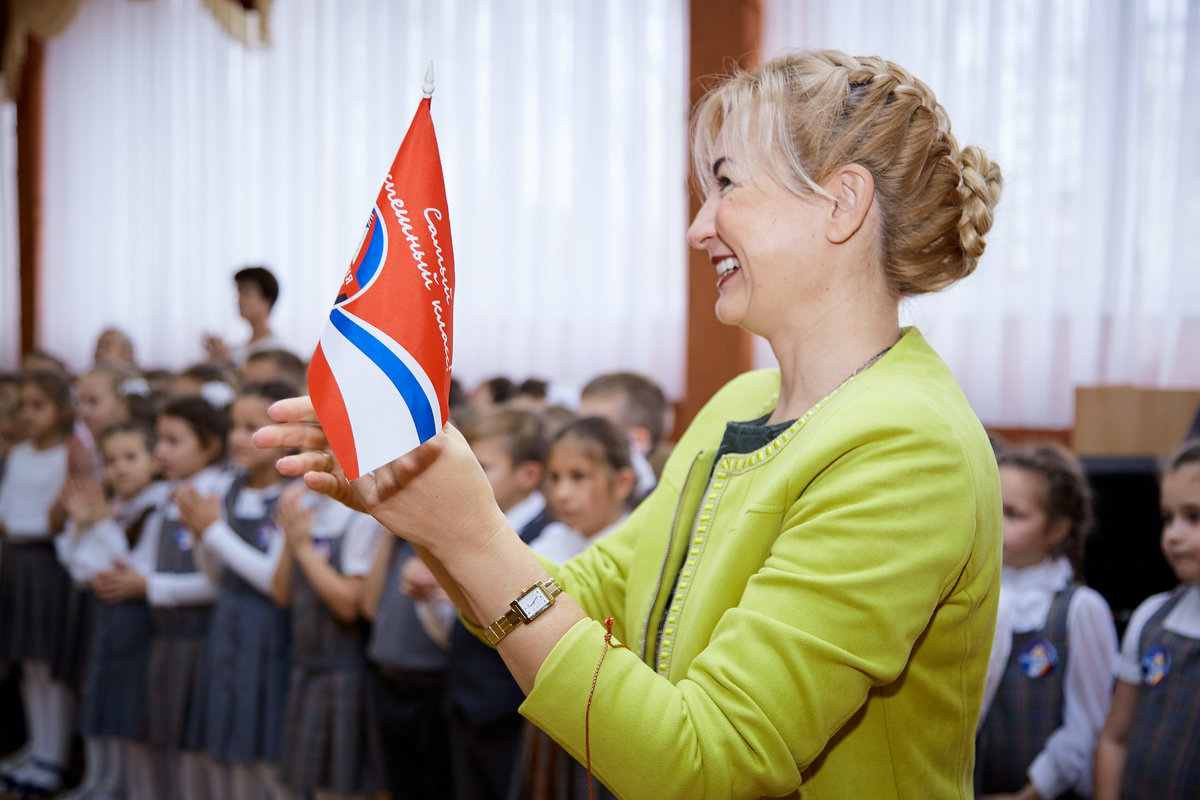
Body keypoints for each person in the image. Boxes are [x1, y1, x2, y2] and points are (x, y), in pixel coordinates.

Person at [259, 50, 1004, 799]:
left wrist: (473, 537)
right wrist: (427, 514)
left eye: (726, 183)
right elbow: (581, 595)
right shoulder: (741, 402)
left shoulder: (909, 447)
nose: (699, 228)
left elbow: (708, 764)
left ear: (842, 203)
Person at [94, 395, 228, 800]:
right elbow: (143, 561)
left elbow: (219, 582)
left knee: (201, 744)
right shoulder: (171, 496)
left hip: (203, 640)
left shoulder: (217, 495)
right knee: (170, 739)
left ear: (209, 446)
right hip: (166, 638)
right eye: (160, 441)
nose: (161, 452)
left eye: (173, 441)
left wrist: (151, 586)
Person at [975, 443, 1118, 799]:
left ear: (1056, 530)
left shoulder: (1079, 609)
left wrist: (1031, 793)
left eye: (1013, 513)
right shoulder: (973, 595)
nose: (995, 522)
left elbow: (1087, 724)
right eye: (990, 506)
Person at [512, 415, 637, 800]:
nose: (562, 493)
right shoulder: (552, 539)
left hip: (617, 717)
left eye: (579, 477)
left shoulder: (635, 546)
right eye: (554, 478)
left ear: (622, 483)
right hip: (554, 711)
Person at [186, 382, 299, 800]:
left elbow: (273, 582)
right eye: (233, 426)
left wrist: (213, 533)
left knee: (267, 742)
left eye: (251, 427)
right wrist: (201, 537)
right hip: (228, 624)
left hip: (270, 632)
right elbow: (217, 577)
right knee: (229, 739)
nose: (237, 437)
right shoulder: (228, 488)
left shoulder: (293, 494)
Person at [57, 421, 168, 800]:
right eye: (111, 461)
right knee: (102, 701)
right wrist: (82, 525)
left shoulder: (157, 506)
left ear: (154, 461)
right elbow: (79, 569)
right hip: (107, 616)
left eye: (130, 457)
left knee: (129, 711)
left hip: (139, 622)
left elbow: (126, 570)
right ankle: (103, 782)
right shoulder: (113, 506)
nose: (120, 468)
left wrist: (102, 527)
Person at [1093, 440, 1200, 799]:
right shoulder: (1151, 617)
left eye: (1194, 517)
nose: (1173, 534)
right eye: (1168, 517)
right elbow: (1115, 739)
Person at [272, 486, 385, 800]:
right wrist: (290, 540)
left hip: (346, 672)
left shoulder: (360, 515)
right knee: (307, 786)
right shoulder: (305, 506)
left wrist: (303, 549)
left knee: (345, 788)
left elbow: (349, 606)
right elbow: (282, 594)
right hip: (306, 667)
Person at [0, 370, 79, 798]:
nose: (28, 414)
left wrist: (18, 526)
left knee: (50, 665)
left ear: (63, 410)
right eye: (22, 406)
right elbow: (6, 509)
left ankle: (55, 758)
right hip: (16, 561)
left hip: (49, 563)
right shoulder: (18, 453)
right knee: (28, 665)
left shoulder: (69, 453)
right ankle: (37, 748)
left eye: (39, 405)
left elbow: (54, 521)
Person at [577, 372, 670, 501]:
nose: (576, 437)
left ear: (636, 442)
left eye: (592, 429)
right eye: (576, 425)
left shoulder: (650, 503)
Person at [204, 266, 287, 368]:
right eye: (239, 293)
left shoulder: (277, 351)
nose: (239, 300)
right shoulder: (237, 351)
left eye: (246, 293)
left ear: (267, 301)